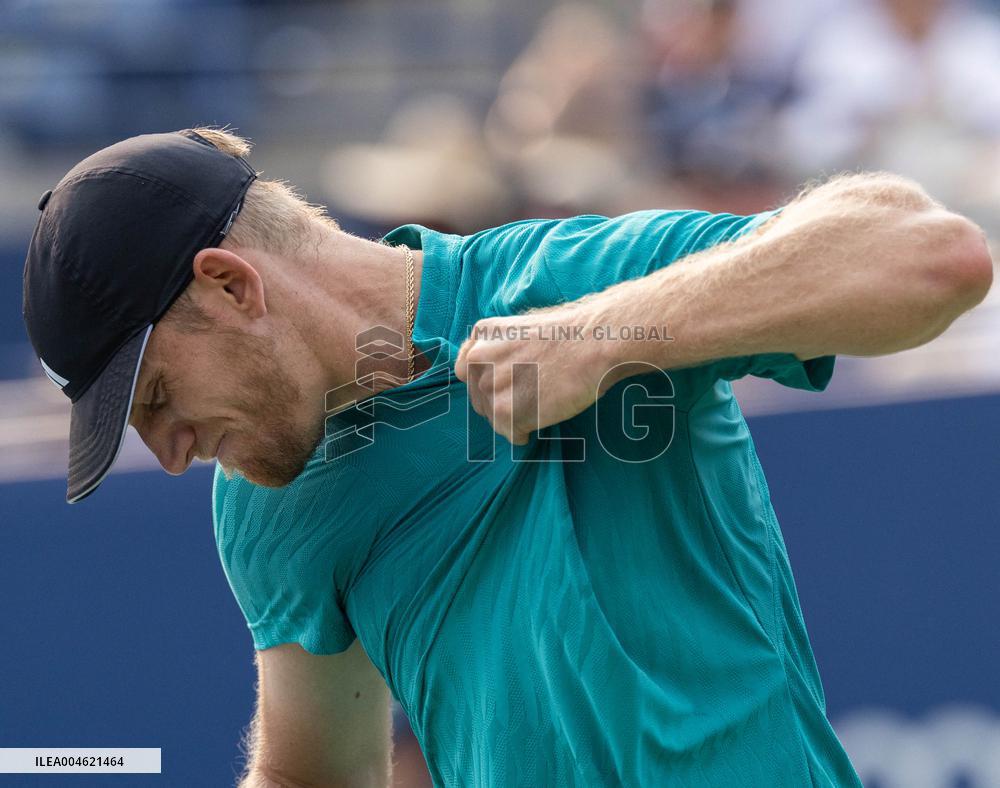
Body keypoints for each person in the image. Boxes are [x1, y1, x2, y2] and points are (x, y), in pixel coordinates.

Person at [22, 127, 993, 787]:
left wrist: (601, 337)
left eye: (157, 399)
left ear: (232, 286)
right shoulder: (261, 500)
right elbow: (312, 774)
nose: (172, 454)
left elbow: (930, 256)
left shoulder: (574, 280)